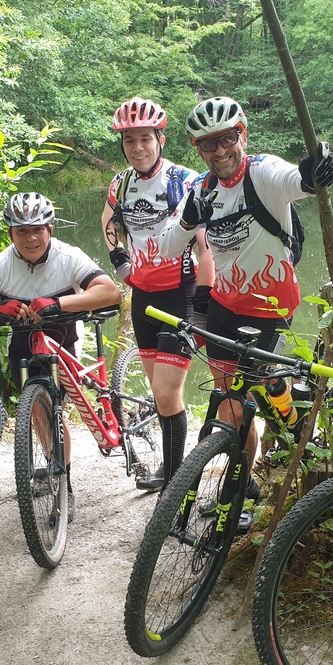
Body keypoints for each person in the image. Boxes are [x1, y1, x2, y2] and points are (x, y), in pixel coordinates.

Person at [157, 96, 333, 506]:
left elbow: (295, 181)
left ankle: (290, 417)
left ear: (244, 134)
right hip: (224, 309)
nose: (220, 150)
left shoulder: (262, 172)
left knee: (256, 395)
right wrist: (187, 217)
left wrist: (313, 173)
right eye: (208, 143)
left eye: (228, 138)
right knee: (232, 407)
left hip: (271, 310)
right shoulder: (202, 189)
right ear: (197, 149)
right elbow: (168, 247)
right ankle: (242, 487)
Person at [0, 191, 121, 522]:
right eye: (22, 231)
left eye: (38, 229)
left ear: (50, 229)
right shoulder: (1, 265)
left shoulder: (68, 256)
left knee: (53, 412)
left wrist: (58, 304)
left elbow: (110, 292)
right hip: (22, 346)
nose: (31, 238)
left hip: (63, 341)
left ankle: (65, 488)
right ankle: (53, 466)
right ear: (11, 233)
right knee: (37, 411)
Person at [100, 97, 214, 493]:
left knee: (167, 392)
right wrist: (119, 261)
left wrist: (203, 300)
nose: (137, 148)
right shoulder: (121, 183)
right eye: (129, 141)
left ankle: (175, 482)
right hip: (143, 299)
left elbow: (206, 247)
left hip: (181, 296)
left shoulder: (184, 181)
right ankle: (172, 469)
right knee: (161, 395)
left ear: (160, 140)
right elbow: (108, 219)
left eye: (145, 139)